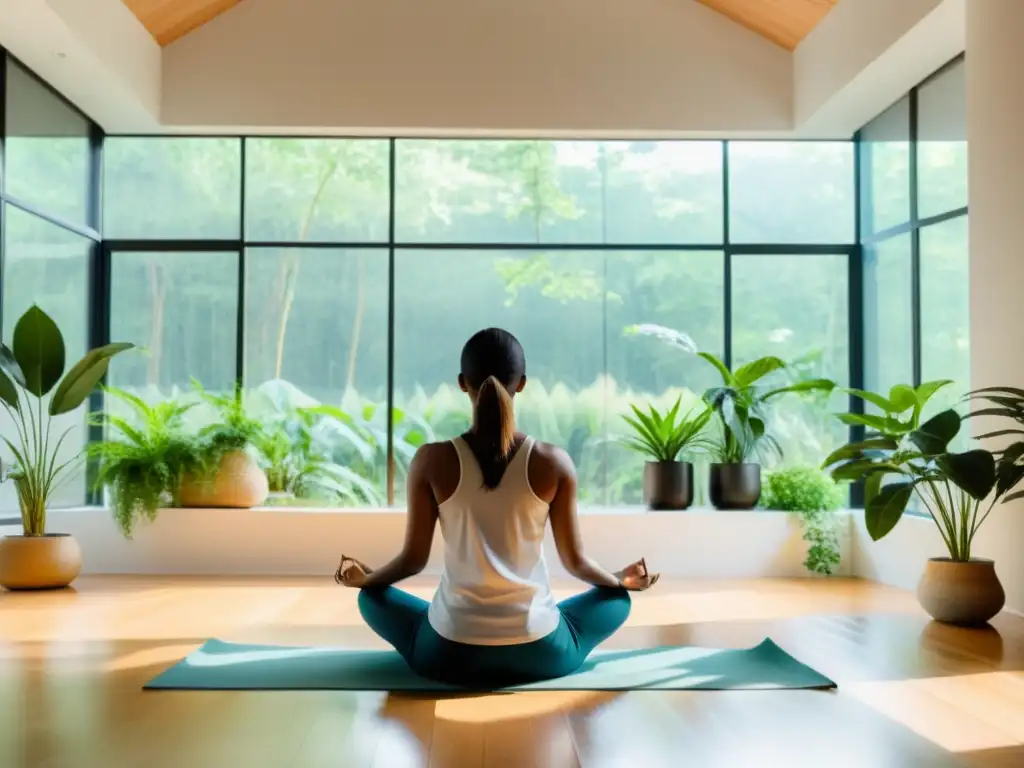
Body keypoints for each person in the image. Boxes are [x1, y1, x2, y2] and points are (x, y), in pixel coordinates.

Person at [336, 328, 658, 687]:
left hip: (447, 655)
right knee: (617, 601)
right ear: (521, 383)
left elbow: (413, 560)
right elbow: (576, 562)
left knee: (371, 598)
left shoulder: (431, 460)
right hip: (540, 651)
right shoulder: (554, 462)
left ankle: (433, 628)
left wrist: (369, 579)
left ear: (462, 383)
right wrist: (619, 581)